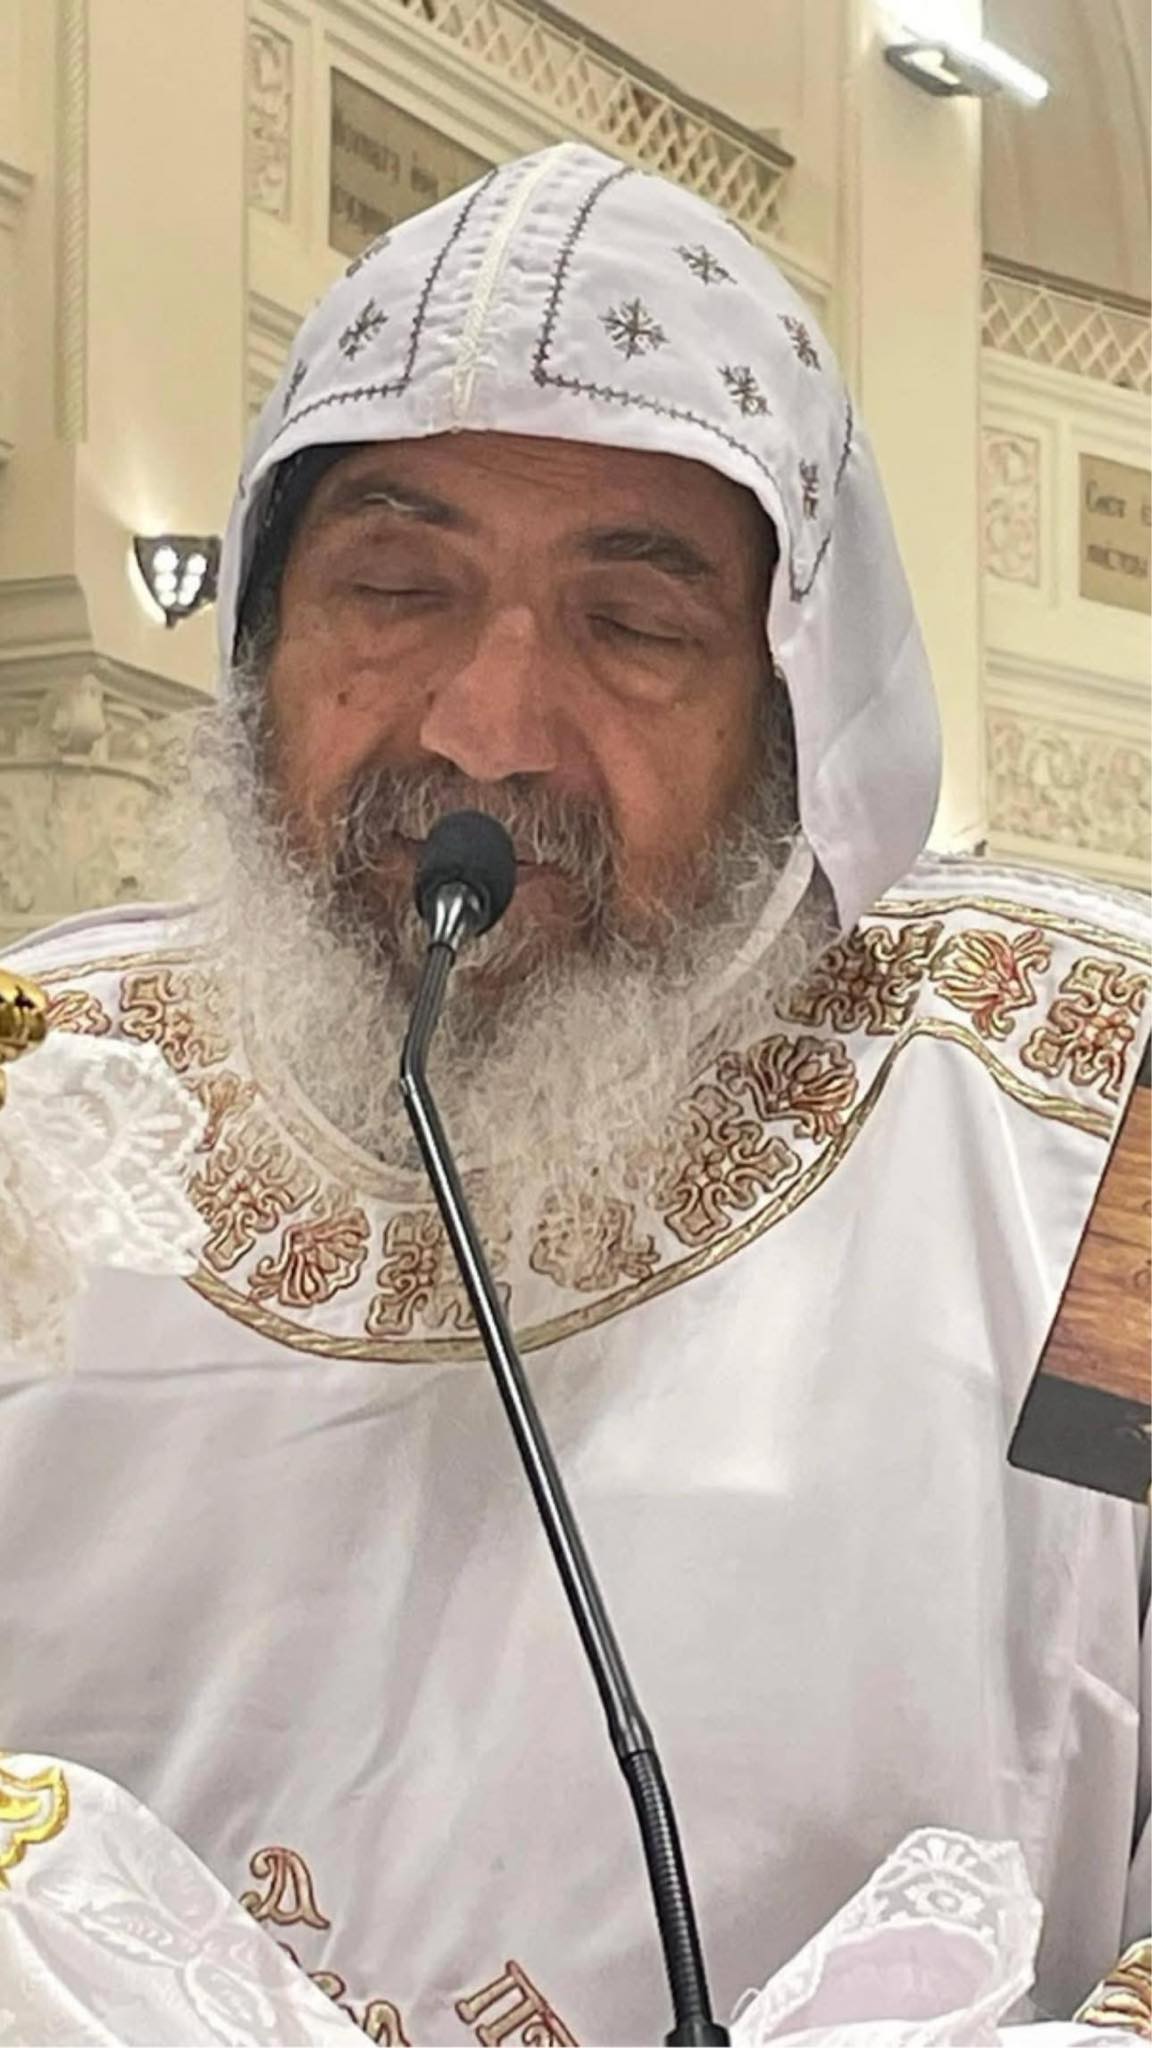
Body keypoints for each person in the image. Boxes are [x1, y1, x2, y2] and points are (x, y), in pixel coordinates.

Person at [0, 142, 1147, 2045]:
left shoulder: (1095, 1114)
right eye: (394, 588)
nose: (485, 730)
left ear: (797, 711)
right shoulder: (43, 1095)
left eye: (634, 626)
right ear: (260, 645)